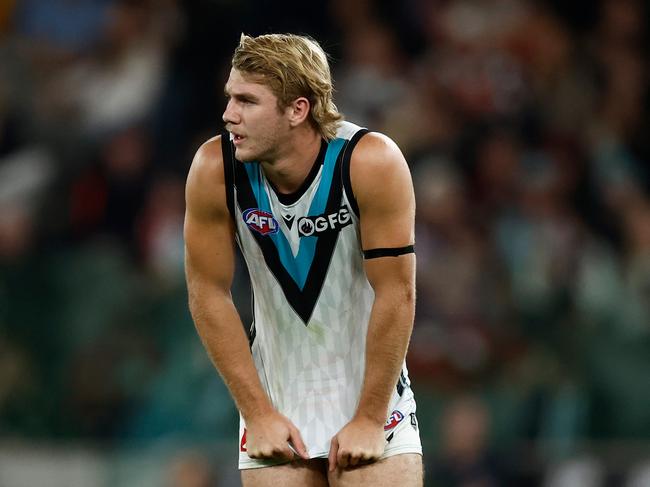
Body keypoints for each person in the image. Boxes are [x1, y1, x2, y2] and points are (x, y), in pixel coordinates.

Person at [184, 33, 422, 487]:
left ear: (298, 109)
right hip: (274, 404)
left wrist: (371, 418)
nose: (228, 114)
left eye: (247, 101)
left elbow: (398, 291)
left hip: (373, 404)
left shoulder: (370, 162)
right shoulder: (215, 170)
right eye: (230, 97)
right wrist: (256, 413)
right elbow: (207, 292)